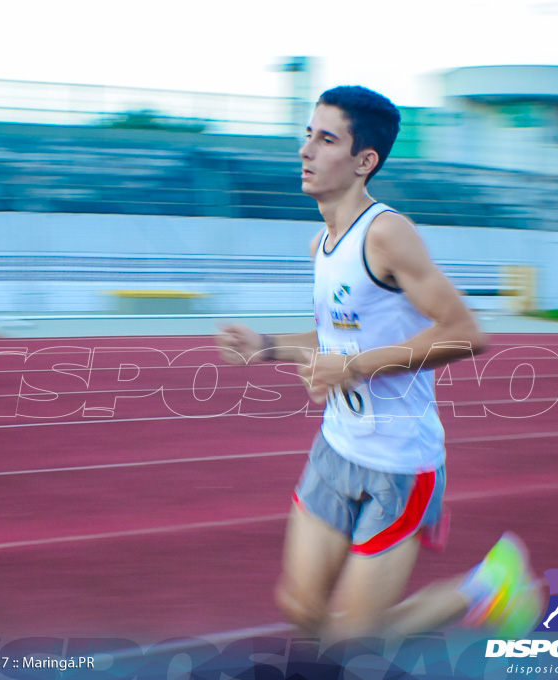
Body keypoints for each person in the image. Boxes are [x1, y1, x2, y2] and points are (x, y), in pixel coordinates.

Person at [216, 85, 541, 641]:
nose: (306, 151)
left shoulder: (387, 233)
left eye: (326, 139)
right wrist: (267, 346)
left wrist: (358, 366)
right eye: (307, 135)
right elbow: (334, 338)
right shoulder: (322, 244)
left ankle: (486, 587)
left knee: (351, 639)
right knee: (301, 608)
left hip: (398, 463)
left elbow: (466, 334)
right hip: (335, 447)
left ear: (364, 161)